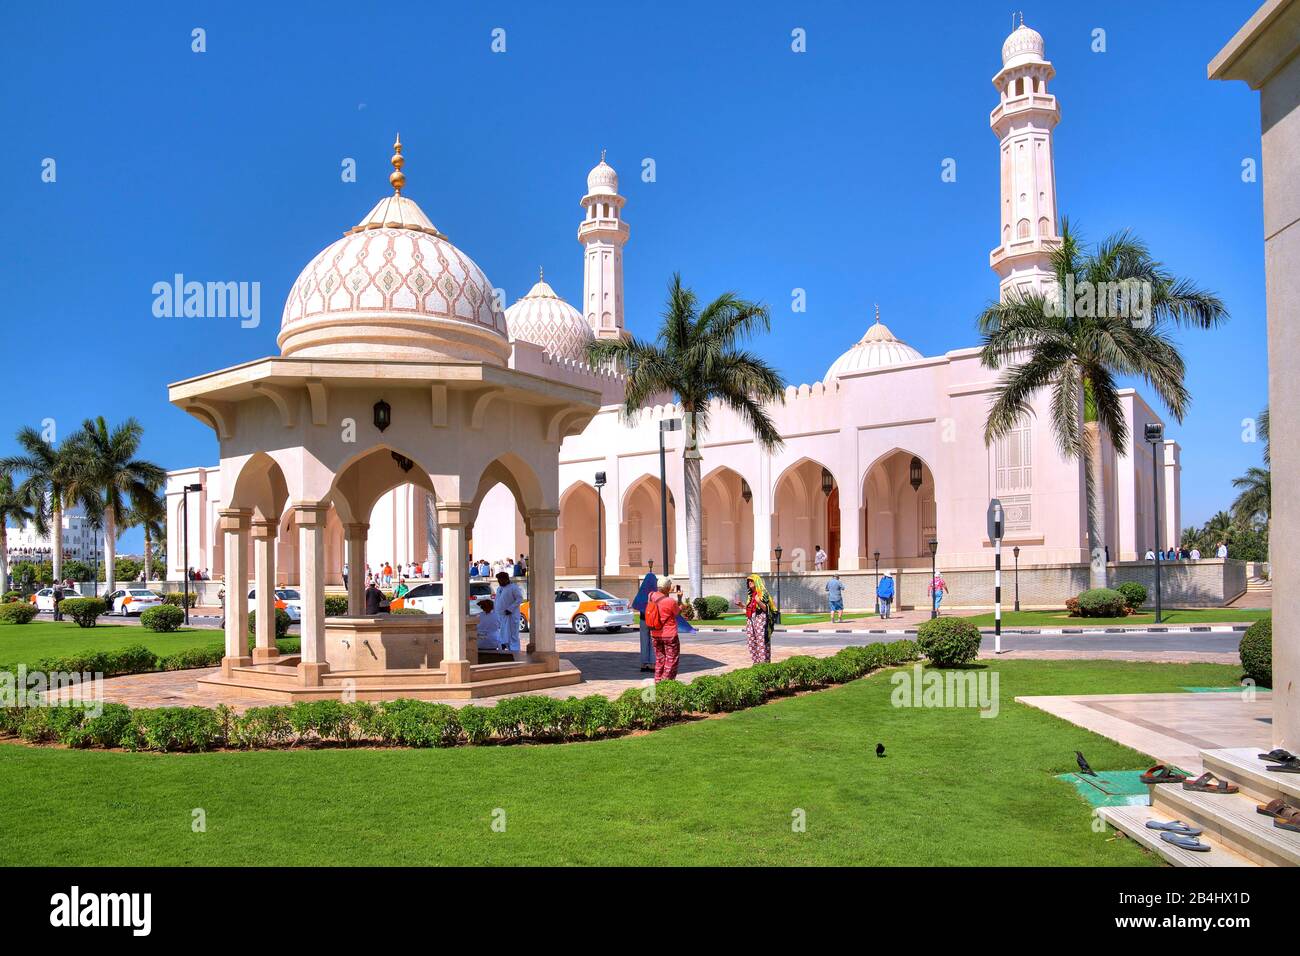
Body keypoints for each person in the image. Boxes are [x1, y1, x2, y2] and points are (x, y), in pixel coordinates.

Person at [735, 573, 774, 664]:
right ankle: (756, 663)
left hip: (761, 619)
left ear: (757, 581)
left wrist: (758, 601)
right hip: (750, 620)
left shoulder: (763, 593)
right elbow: (750, 609)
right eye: (748, 581)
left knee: (761, 641)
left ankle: (764, 663)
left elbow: (767, 608)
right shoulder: (751, 595)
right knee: (751, 641)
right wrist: (741, 605)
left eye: (751, 581)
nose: (749, 583)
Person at [648, 579, 680, 682]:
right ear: (667, 588)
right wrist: (679, 598)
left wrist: (666, 593)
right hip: (669, 635)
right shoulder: (670, 601)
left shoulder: (651, 596)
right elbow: (677, 611)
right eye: (670, 586)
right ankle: (666, 684)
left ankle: (657, 681)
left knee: (660, 659)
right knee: (671, 660)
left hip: (655, 633)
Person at [630, 559, 658, 672]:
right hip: (653, 619)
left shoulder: (642, 592)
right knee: (653, 640)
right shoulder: (655, 593)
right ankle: (652, 663)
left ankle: (643, 663)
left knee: (644, 639)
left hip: (643, 618)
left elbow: (636, 604)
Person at [493, 571, 524, 653]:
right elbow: (497, 601)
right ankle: (503, 648)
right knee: (502, 634)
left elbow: (519, 599)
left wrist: (510, 609)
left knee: (512, 635)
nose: (499, 582)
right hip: (501, 616)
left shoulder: (513, 588)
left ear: (506, 579)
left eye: (500, 580)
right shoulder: (499, 588)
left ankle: (515, 651)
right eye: (498, 580)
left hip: (511, 616)